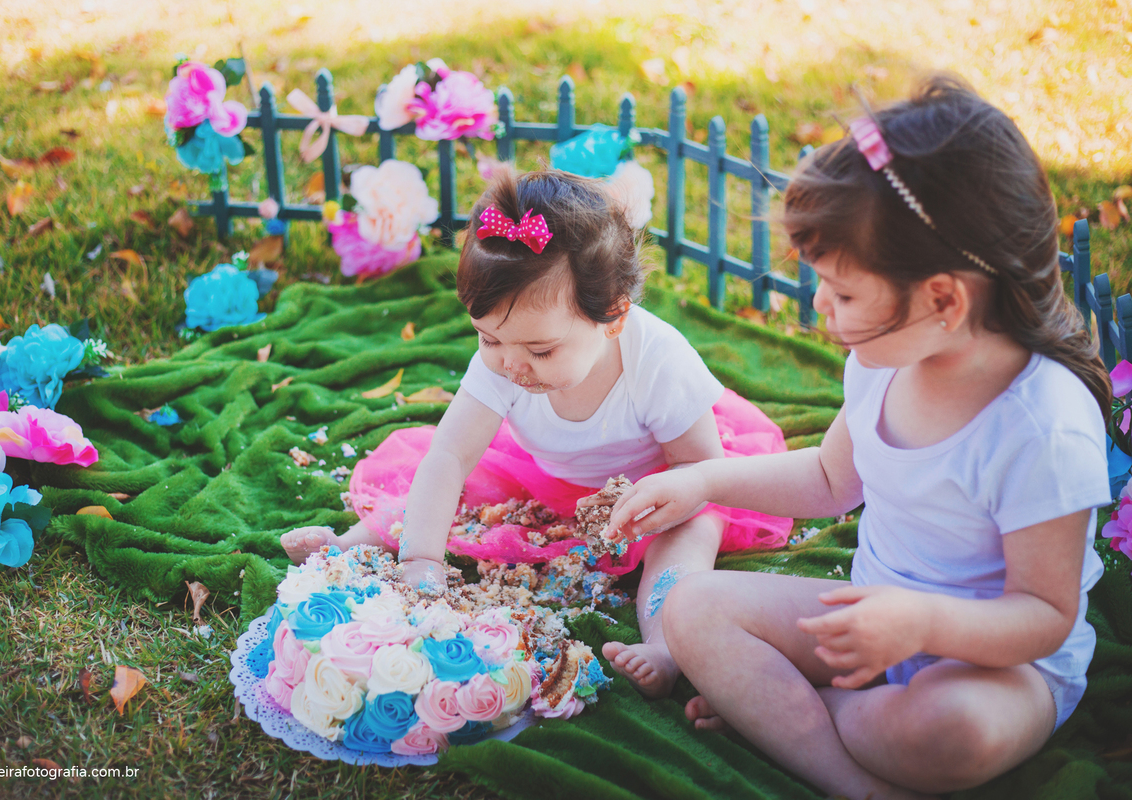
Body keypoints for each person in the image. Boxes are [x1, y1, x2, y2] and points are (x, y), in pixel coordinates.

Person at [601, 75, 1112, 799]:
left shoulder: (1041, 427)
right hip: (868, 617)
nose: (820, 305)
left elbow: (1045, 617)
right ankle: (856, 779)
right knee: (691, 608)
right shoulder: (884, 361)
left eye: (843, 293)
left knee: (953, 732)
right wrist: (703, 481)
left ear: (942, 299)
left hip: (998, 667)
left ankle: (790, 710)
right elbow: (829, 480)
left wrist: (921, 624)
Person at [282, 166, 792, 697]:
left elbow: (700, 470)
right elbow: (450, 455)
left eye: (541, 350)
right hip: (543, 473)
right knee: (457, 486)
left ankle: (665, 644)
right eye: (487, 339)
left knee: (686, 538)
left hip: (656, 486)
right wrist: (422, 561)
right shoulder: (507, 360)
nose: (511, 365)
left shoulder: (659, 362)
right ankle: (352, 546)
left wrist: (661, 504)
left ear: (614, 317)